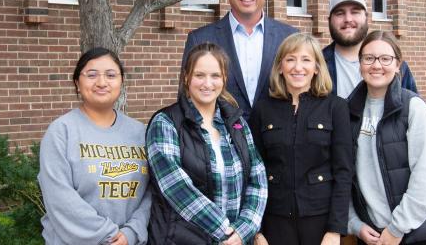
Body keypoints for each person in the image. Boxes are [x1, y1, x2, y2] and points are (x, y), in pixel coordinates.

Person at [147, 42, 268, 245]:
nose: (207, 83)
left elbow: (258, 179)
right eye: (199, 75)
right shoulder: (166, 123)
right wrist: (227, 233)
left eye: (215, 76)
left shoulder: (236, 123)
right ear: (186, 77)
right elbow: (176, 188)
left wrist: (245, 229)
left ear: (224, 79)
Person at [347, 31, 426, 245]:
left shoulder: (414, 109)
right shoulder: (348, 112)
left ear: (398, 65)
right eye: (368, 58)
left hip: (419, 233)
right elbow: (344, 175)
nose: (376, 65)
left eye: (385, 58)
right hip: (373, 235)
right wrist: (355, 224)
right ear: (360, 64)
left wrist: (396, 229)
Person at [38, 48, 151, 245]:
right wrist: (109, 236)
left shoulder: (140, 132)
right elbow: (60, 200)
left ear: (121, 82)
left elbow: (151, 193)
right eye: (91, 75)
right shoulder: (61, 131)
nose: (101, 82)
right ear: (77, 83)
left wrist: (131, 233)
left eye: (110, 75)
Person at [248, 33, 353, 245]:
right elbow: (252, 170)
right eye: (290, 59)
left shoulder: (336, 108)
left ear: (316, 68)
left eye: (306, 60)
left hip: (321, 220)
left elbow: (344, 171)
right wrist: (256, 230)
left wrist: (335, 230)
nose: (298, 67)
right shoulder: (262, 109)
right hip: (274, 221)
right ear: (280, 67)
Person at [182, 0, 298, 119]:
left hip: (276, 143)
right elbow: (187, 101)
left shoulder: (289, 37)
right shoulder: (200, 39)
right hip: (221, 141)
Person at [322, 0, 418, 99]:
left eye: (355, 12)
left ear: (366, 18)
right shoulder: (318, 64)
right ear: (329, 20)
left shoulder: (394, 65)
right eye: (340, 13)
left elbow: (411, 107)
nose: (348, 19)